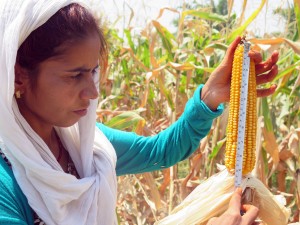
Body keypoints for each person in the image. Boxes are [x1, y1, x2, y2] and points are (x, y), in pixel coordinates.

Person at [0, 0, 278, 224]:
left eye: (93, 71)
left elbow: (160, 152)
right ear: (18, 75)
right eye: (75, 76)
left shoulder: (85, 144)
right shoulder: (6, 185)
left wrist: (209, 98)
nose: (92, 92)